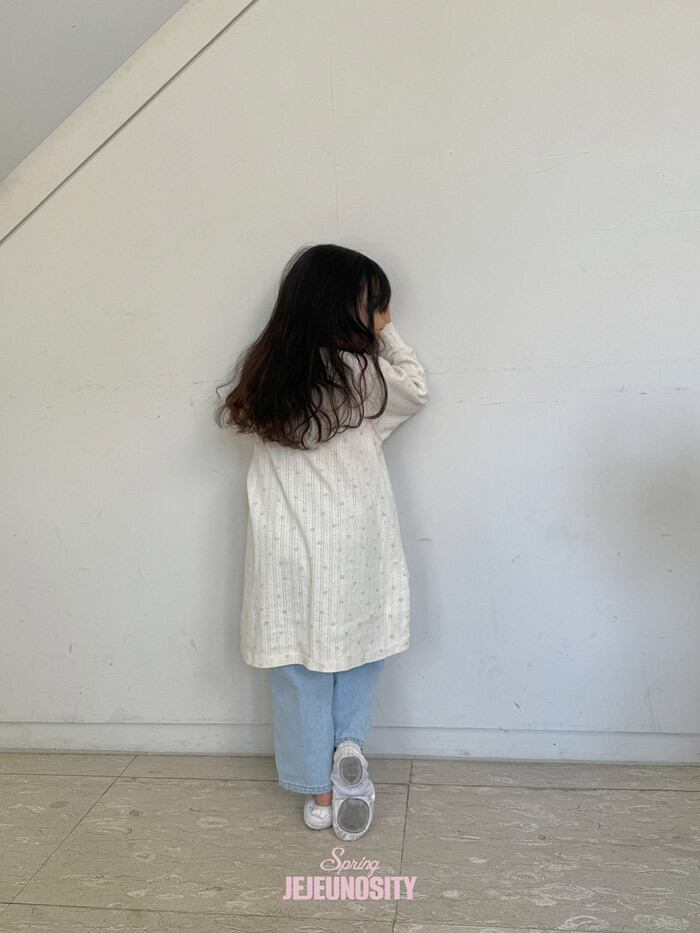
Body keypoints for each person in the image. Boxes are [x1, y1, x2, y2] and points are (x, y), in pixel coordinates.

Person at [214, 243, 430, 839]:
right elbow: (415, 391)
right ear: (343, 307)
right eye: (374, 305)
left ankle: (319, 790)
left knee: (296, 664)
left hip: (284, 544)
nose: (379, 315)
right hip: (352, 540)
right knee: (360, 647)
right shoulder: (361, 374)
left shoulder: (265, 373)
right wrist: (387, 336)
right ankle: (348, 747)